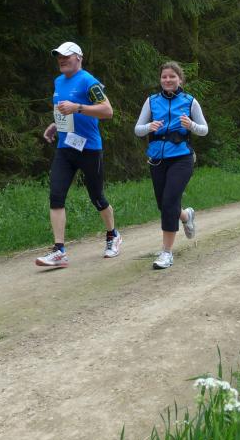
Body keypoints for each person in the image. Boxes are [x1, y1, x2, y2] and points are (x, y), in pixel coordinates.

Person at [36, 42, 121, 268]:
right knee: (56, 195)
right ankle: (59, 250)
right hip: (65, 148)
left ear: (79, 58)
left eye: (66, 56)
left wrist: (78, 107)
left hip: (89, 148)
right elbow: (63, 110)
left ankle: (113, 235)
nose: (62, 60)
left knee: (97, 197)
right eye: (59, 57)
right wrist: (56, 125)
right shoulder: (58, 81)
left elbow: (108, 111)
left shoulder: (88, 81)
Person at [134, 61, 209, 269]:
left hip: (182, 157)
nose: (168, 80)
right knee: (164, 204)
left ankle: (166, 253)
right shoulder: (151, 101)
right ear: (160, 80)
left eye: (172, 76)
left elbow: (204, 129)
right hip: (157, 159)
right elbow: (138, 129)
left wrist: (191, 125)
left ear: (180, 79)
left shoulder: (190, 101)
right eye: (164, 77)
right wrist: (149, 126)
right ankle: (186, 215)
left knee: (169, 202)